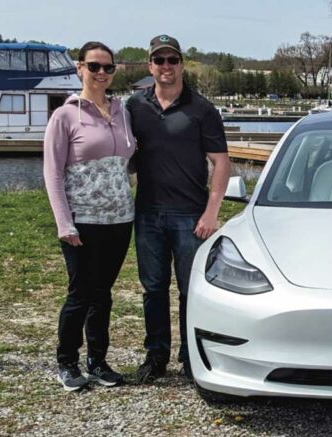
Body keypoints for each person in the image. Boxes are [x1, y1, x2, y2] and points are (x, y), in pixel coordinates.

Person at [126, 35, 231, 383]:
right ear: (150, 66)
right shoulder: (134, 107)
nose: (166, 67)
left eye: (172, 60)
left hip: (190, 216)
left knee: (190, 290)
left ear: (182, 63)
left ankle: (190, 358)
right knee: (153, 289)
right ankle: (156, 357)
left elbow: (220, 162)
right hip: (148, 214)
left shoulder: (202, 109)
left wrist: (211, 211)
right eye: (159, 61)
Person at [43, 41, 135, 391]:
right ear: (79, 68)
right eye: (93, 66)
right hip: (82, 221)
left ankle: (98, 360)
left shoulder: (122, 112)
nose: (101, 73)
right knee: (80, 292)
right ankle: (67, 362)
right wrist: (64, 223)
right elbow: (52, 174)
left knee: (104, 292)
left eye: (107, 68)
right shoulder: (65, 115)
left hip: (119, 220)